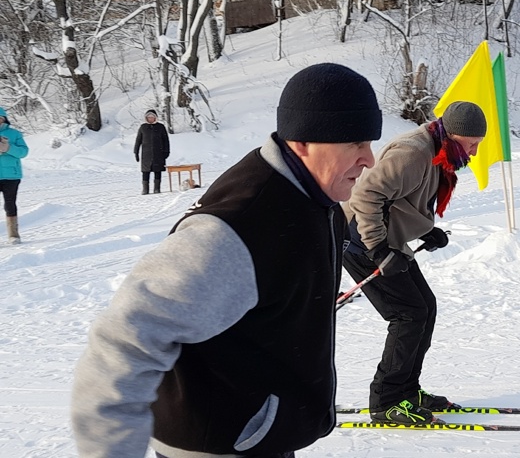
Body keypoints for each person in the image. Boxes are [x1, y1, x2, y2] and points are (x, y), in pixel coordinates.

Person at [71, 63, 382, 458]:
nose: (369, 159)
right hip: (216, 445)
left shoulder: (317, 202)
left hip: (258, 437)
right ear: (303, 141)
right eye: (355, 143)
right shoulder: (238, 228)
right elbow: (124, 339)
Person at [342, 101, 487, 425]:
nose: (474, 153)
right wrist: (378, 249)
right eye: (472, 144)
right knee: (408, 314)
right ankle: (386, 401)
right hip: (361, 240)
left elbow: (403, 199)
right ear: (452, 134)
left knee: (425, 307)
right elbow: (366, 195)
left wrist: (426, 229)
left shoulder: (437, 150)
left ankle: (407, 391)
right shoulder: (414, 152)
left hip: (385, 237)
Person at [0, 107, 29, 244]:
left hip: (11, 175)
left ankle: (13, 234)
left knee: (10, 204)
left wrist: (8, 148)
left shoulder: (14, 133)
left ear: (4, 119)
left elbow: (23, 152)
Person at [134, 109, 170, 194]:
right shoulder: (143, 127)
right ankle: (145, 189)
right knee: (145, 172)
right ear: (146, 118)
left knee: (158, 171)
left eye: (152, 117)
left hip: (158, 153)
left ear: (155, 118)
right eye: (149, 117)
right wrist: (136, 152)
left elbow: (166, 140)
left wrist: (166, 151)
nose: (150, 119)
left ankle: (157, 188)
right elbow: (138, 140)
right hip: (146, 154)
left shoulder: (160, 127)